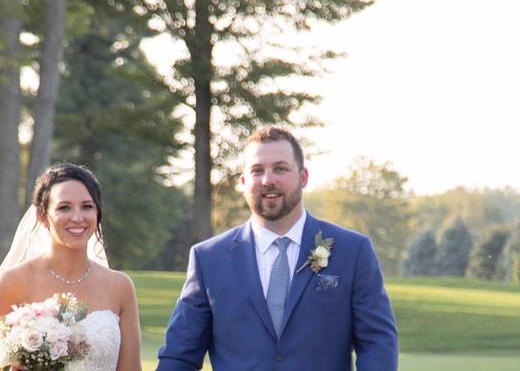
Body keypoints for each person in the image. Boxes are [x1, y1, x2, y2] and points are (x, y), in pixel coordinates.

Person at [157, 126, 398, 371]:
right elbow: (180, 355)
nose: (268, 180)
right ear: (243, 182)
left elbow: (377, 344)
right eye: (257, 171)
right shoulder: (208, 259)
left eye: (280, 169)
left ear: (303, 177)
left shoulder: (353, 251)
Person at [0, 163, 142, 371]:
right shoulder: (12, 282)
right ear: (42, 216)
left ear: (98, 213)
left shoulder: (120, 286)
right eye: (64, 207)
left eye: (87, 206)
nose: (77, 217)